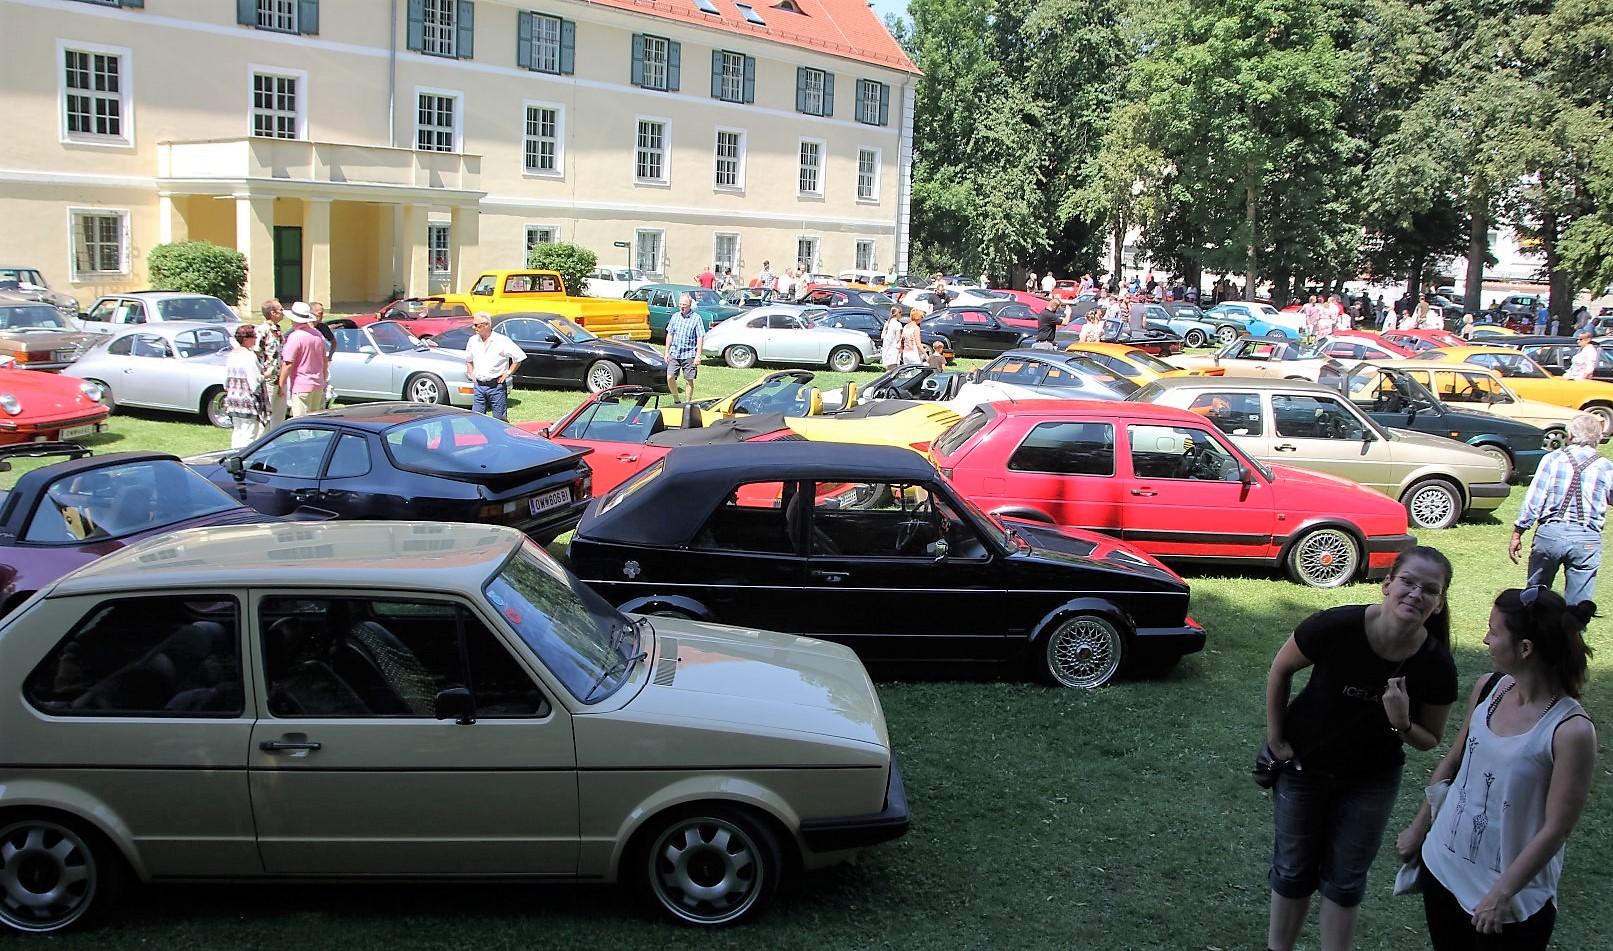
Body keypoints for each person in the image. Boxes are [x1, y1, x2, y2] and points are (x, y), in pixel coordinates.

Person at [1264, 546, 1458, 951]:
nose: (1416, 594)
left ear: (1439, 604)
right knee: (1293, 869)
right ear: (1387, 585)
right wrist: (1277, 738)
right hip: (1305, 767)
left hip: (1371, 780)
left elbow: (1430, 740)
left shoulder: (1436, 664)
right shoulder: (1337, 626)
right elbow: (1281, 670)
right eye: (1407, 582)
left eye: (1430, 589)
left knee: (1345, 879)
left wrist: (1401, 722)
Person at [1398, 586, 1596, 950]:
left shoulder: (1570, 730)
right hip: (1442, 868)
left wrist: (1501, 894)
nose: (1486, 638)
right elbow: (1454, 762)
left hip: (1505, 900)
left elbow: (1556, 829)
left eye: (1493, 630)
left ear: (1525, 649)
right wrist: (1419, 826)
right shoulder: (1490, 687)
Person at [1509, 413, 1613, 605]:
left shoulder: (1552, 460)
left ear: (1570, 435)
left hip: (1550, 534)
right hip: (1587, 539)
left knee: (1535, 595)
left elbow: (1534, 499)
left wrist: (1518, 533)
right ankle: (1572, 632)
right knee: (1579, 603)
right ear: (1598, 439)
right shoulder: (1606, 467)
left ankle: (1531, 631)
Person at [464, 313, 526, 421]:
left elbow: (519, 357)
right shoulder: (473, 340)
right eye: (473, 325)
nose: (473, 328)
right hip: (479, 385)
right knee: (476, 419)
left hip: (496, 386)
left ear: (486, 325)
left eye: (476, 325)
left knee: (500, 419)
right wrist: (471, 372)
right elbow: (468, 359)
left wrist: (508, 372)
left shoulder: (502, 341)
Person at [278, 302, 329, 418]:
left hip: (301, 384)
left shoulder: (295, 336)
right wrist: (324, 379)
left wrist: (281, 384)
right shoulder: (318, 334)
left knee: (301, 422)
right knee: (314, 421)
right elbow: (324, 360)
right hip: (318, 383)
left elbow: (288, 363)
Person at [223, 324, 265, 449]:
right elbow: (255, 382)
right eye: (254, 336)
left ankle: (233, 455)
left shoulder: (232, 354)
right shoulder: (249, 356)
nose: (256, 338)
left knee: (237, 431)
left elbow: (225, 380)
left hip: (233, 399)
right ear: (246, 339)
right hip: (246, 401)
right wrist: (266, 375)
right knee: (249, 434)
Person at [663, 293, 706, 401]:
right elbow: (670, 334)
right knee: (670, 377)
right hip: (675, 353)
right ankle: (676, 400)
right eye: (680, 304)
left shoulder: (696, 318)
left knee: (689, 380)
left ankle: (687, 403)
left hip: (689, 354)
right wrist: (667, 352)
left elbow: (700, 337)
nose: (682, 307)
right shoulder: (675, 317)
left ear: (690, 305)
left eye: (684, 305)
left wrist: (698, 356)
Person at [258, 299, 287, 427]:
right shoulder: (262, 330)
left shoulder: (278, 330)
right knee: (267, 413)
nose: (283, 312)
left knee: (279, 414)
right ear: (272, 313)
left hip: (279, 378)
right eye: (280, 309)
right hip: (268, 379)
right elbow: (256, 352)